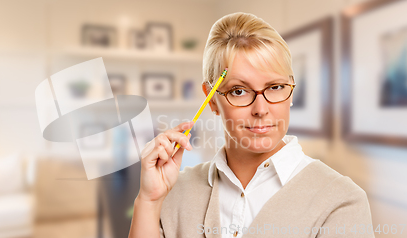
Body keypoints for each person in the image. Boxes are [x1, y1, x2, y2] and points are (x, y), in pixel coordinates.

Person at [128, 12, 374, 238]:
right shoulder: (172, 192)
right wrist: (149, 201)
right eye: (239, 91)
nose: (260, 109)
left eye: (276, 87)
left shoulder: (341, 202)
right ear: (212, 99)